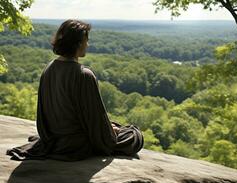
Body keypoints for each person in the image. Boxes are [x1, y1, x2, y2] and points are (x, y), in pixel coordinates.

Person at [7, 19, 143, 161]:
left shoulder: (48, 68)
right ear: (78, 44)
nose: (88, 45)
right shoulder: (84, 75)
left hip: (53, 140)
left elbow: (44, 115)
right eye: (86, 41)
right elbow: (94, 119)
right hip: (76, 146)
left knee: (114, 126)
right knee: (134, 134)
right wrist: (109, 132)